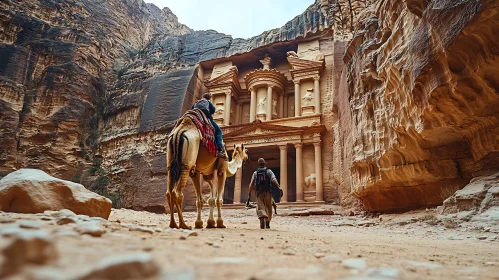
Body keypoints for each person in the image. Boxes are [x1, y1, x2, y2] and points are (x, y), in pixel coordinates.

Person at [248, 158, 282, 229]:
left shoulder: (255, 173)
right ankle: (267, 223)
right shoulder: (269, 171)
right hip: (268, 192)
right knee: (269, 207)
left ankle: (262, 217)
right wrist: (278, 187)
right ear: (265, 163)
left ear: (258, 164)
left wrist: (249, 193)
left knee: (260, 206)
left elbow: (251, 184)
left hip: (259, 192)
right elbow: (273, 179)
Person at [192, 93, 227, 159]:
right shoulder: (208, 102)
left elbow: (192, 109)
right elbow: (213, 110)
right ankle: (220, 150)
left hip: (195, 117)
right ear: (209, 98)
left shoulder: (196, 102)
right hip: (205, 118)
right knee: (219, 131)